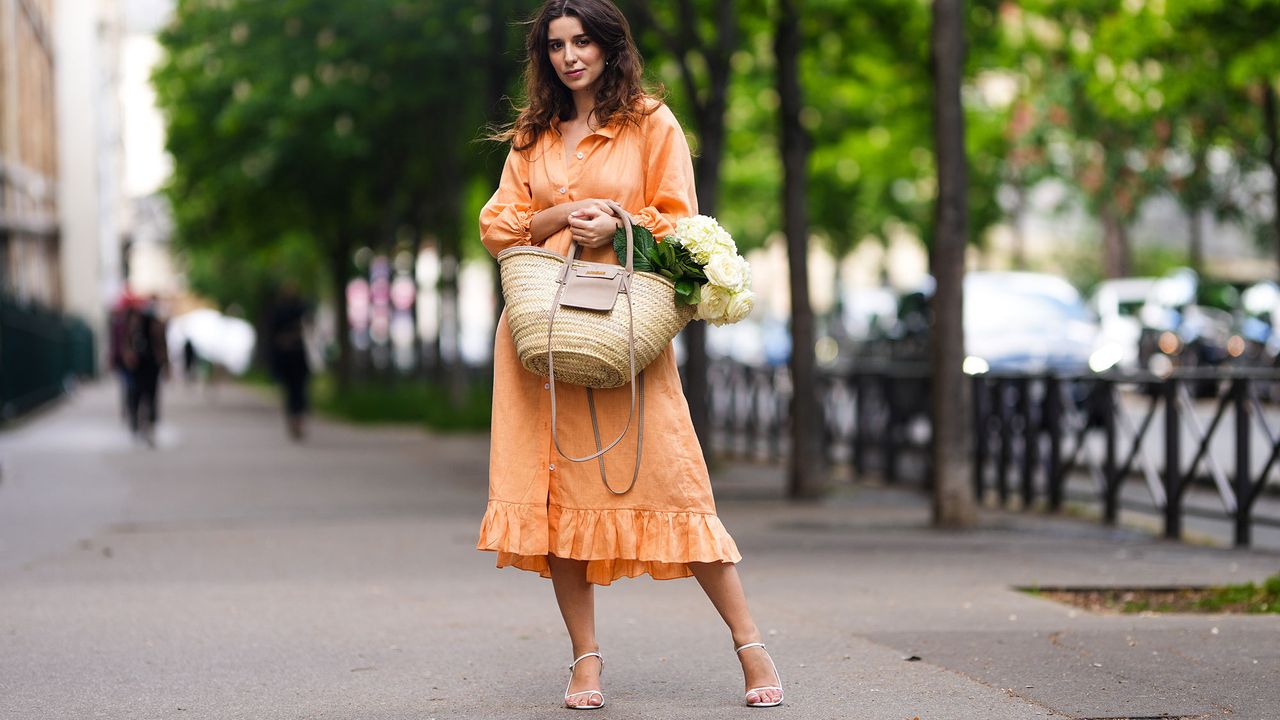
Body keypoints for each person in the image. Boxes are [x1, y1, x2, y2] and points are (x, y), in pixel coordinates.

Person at [477, 0, 783, 709]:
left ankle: (750, 648)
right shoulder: (533, 133)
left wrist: (615, 222)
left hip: (621, 329)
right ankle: (585, 662)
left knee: (676, 483)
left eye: (583, 41)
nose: (569, 56)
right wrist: (558, 217)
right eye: (555, 45)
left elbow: (681, 224)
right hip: (542, 340)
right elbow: (500, 225)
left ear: (611, 48)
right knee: (559, 499)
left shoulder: (651, 122)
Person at [122, 294, 169, 446]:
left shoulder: (157, 324)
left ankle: (150, 424)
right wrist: (129, 357)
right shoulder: (135, 324)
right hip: (138, 366)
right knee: (136, 395)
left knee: (152, 396)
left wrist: (165, 364)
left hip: (153, 365)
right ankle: (136, 424)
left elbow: (163, 345)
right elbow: (127, 343)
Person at [267, 283, 312, 441]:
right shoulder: (280, 311)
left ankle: (297, 420)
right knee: (290, 391)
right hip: (287, 358)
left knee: (299, 391)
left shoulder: (301, 309)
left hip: (297, 357)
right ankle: (293, 420)